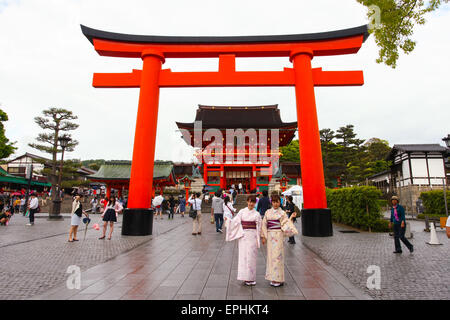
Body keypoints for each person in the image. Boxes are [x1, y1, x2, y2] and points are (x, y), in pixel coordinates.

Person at [261, 194, 296, 287]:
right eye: (273, 202)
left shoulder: (282, 213)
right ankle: (272, 277)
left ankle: (278, 278)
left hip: (278, 235)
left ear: (279, 202)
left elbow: (285, 223)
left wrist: (291, 218)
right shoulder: (268, 212)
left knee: (278, 257)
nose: (275, 204)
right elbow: (264, 224)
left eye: (277, 202)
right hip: (270, 235)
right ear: (271, 202)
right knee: (271, 257)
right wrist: (263, 236)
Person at [226, 195, 261, 286]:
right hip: (243, 236)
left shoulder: (257, 214)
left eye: (253, 202)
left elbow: (259, 227)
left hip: (252, 236)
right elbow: (236, 222)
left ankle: (251, 278)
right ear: (247, 202)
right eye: (249, 201)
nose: (251, 204)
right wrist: (228, 221)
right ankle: (244, 277)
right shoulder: (242, 211)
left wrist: (260, 238)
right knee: (243, 257)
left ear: (255, 203)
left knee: (251, 257)